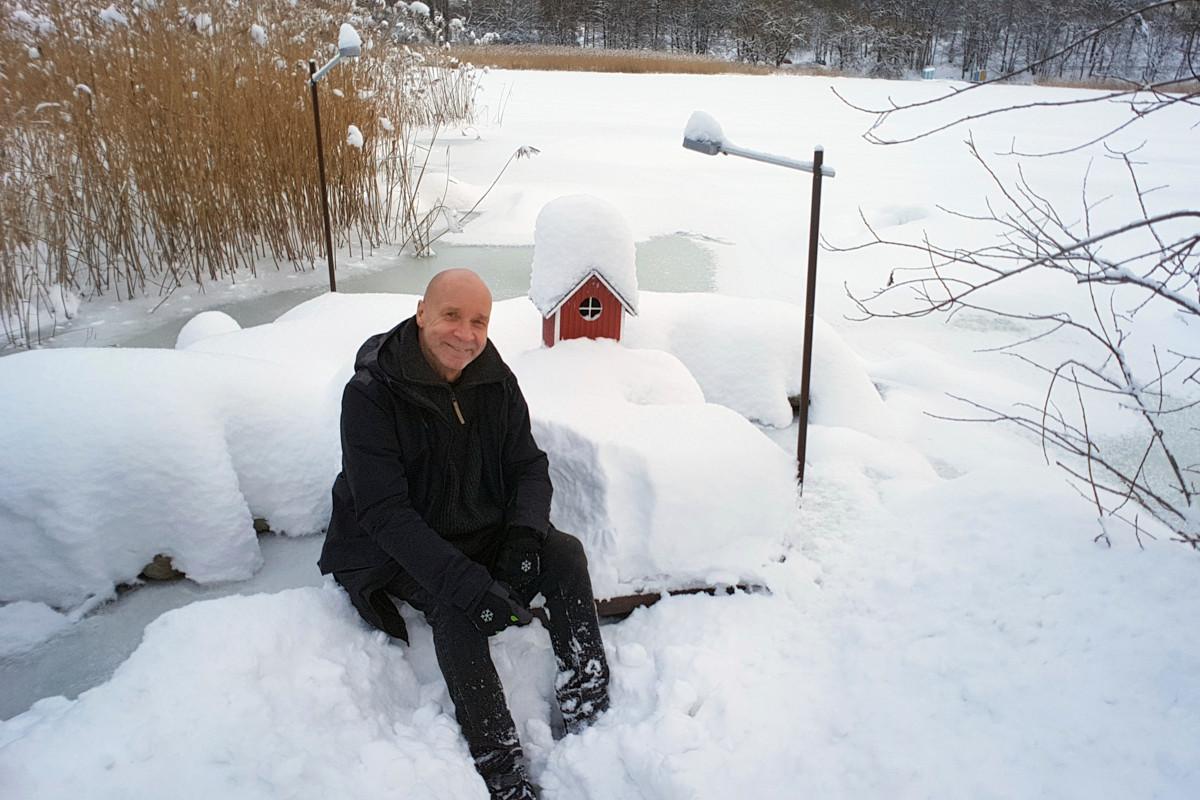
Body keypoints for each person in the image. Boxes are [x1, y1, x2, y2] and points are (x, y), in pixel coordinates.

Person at [319, 269, 610, 800]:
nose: (466, 335)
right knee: (456, 605)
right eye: (451, 316)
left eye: (479, 321)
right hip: (395, 546)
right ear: (422, 312)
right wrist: (470, 586)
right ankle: (500, 764)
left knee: (564, 552)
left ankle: (588, 699)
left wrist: (523, 538)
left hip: (479, 529)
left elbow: (528, 465)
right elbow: (384, 512)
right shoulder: (370, 394)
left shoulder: (494, 381)